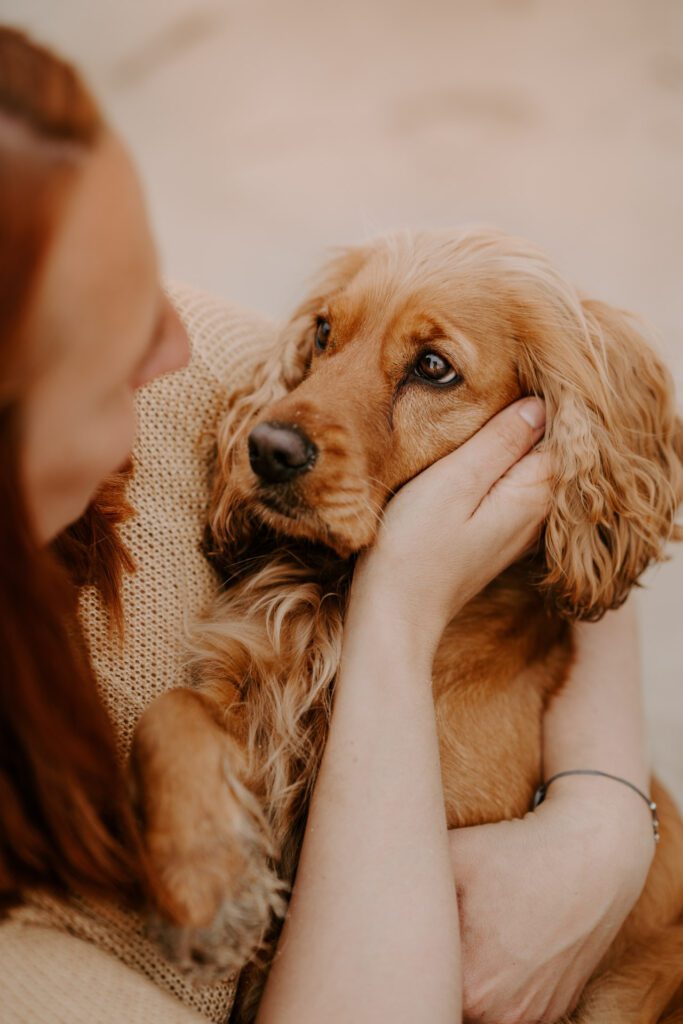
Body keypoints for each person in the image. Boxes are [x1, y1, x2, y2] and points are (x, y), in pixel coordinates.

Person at [0, 27, 655, 1024]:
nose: (283, 416)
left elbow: (595, 505)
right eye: (120, 316)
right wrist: (399, 603)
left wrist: (604, 815)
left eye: (428, 368)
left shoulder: (210, 373)